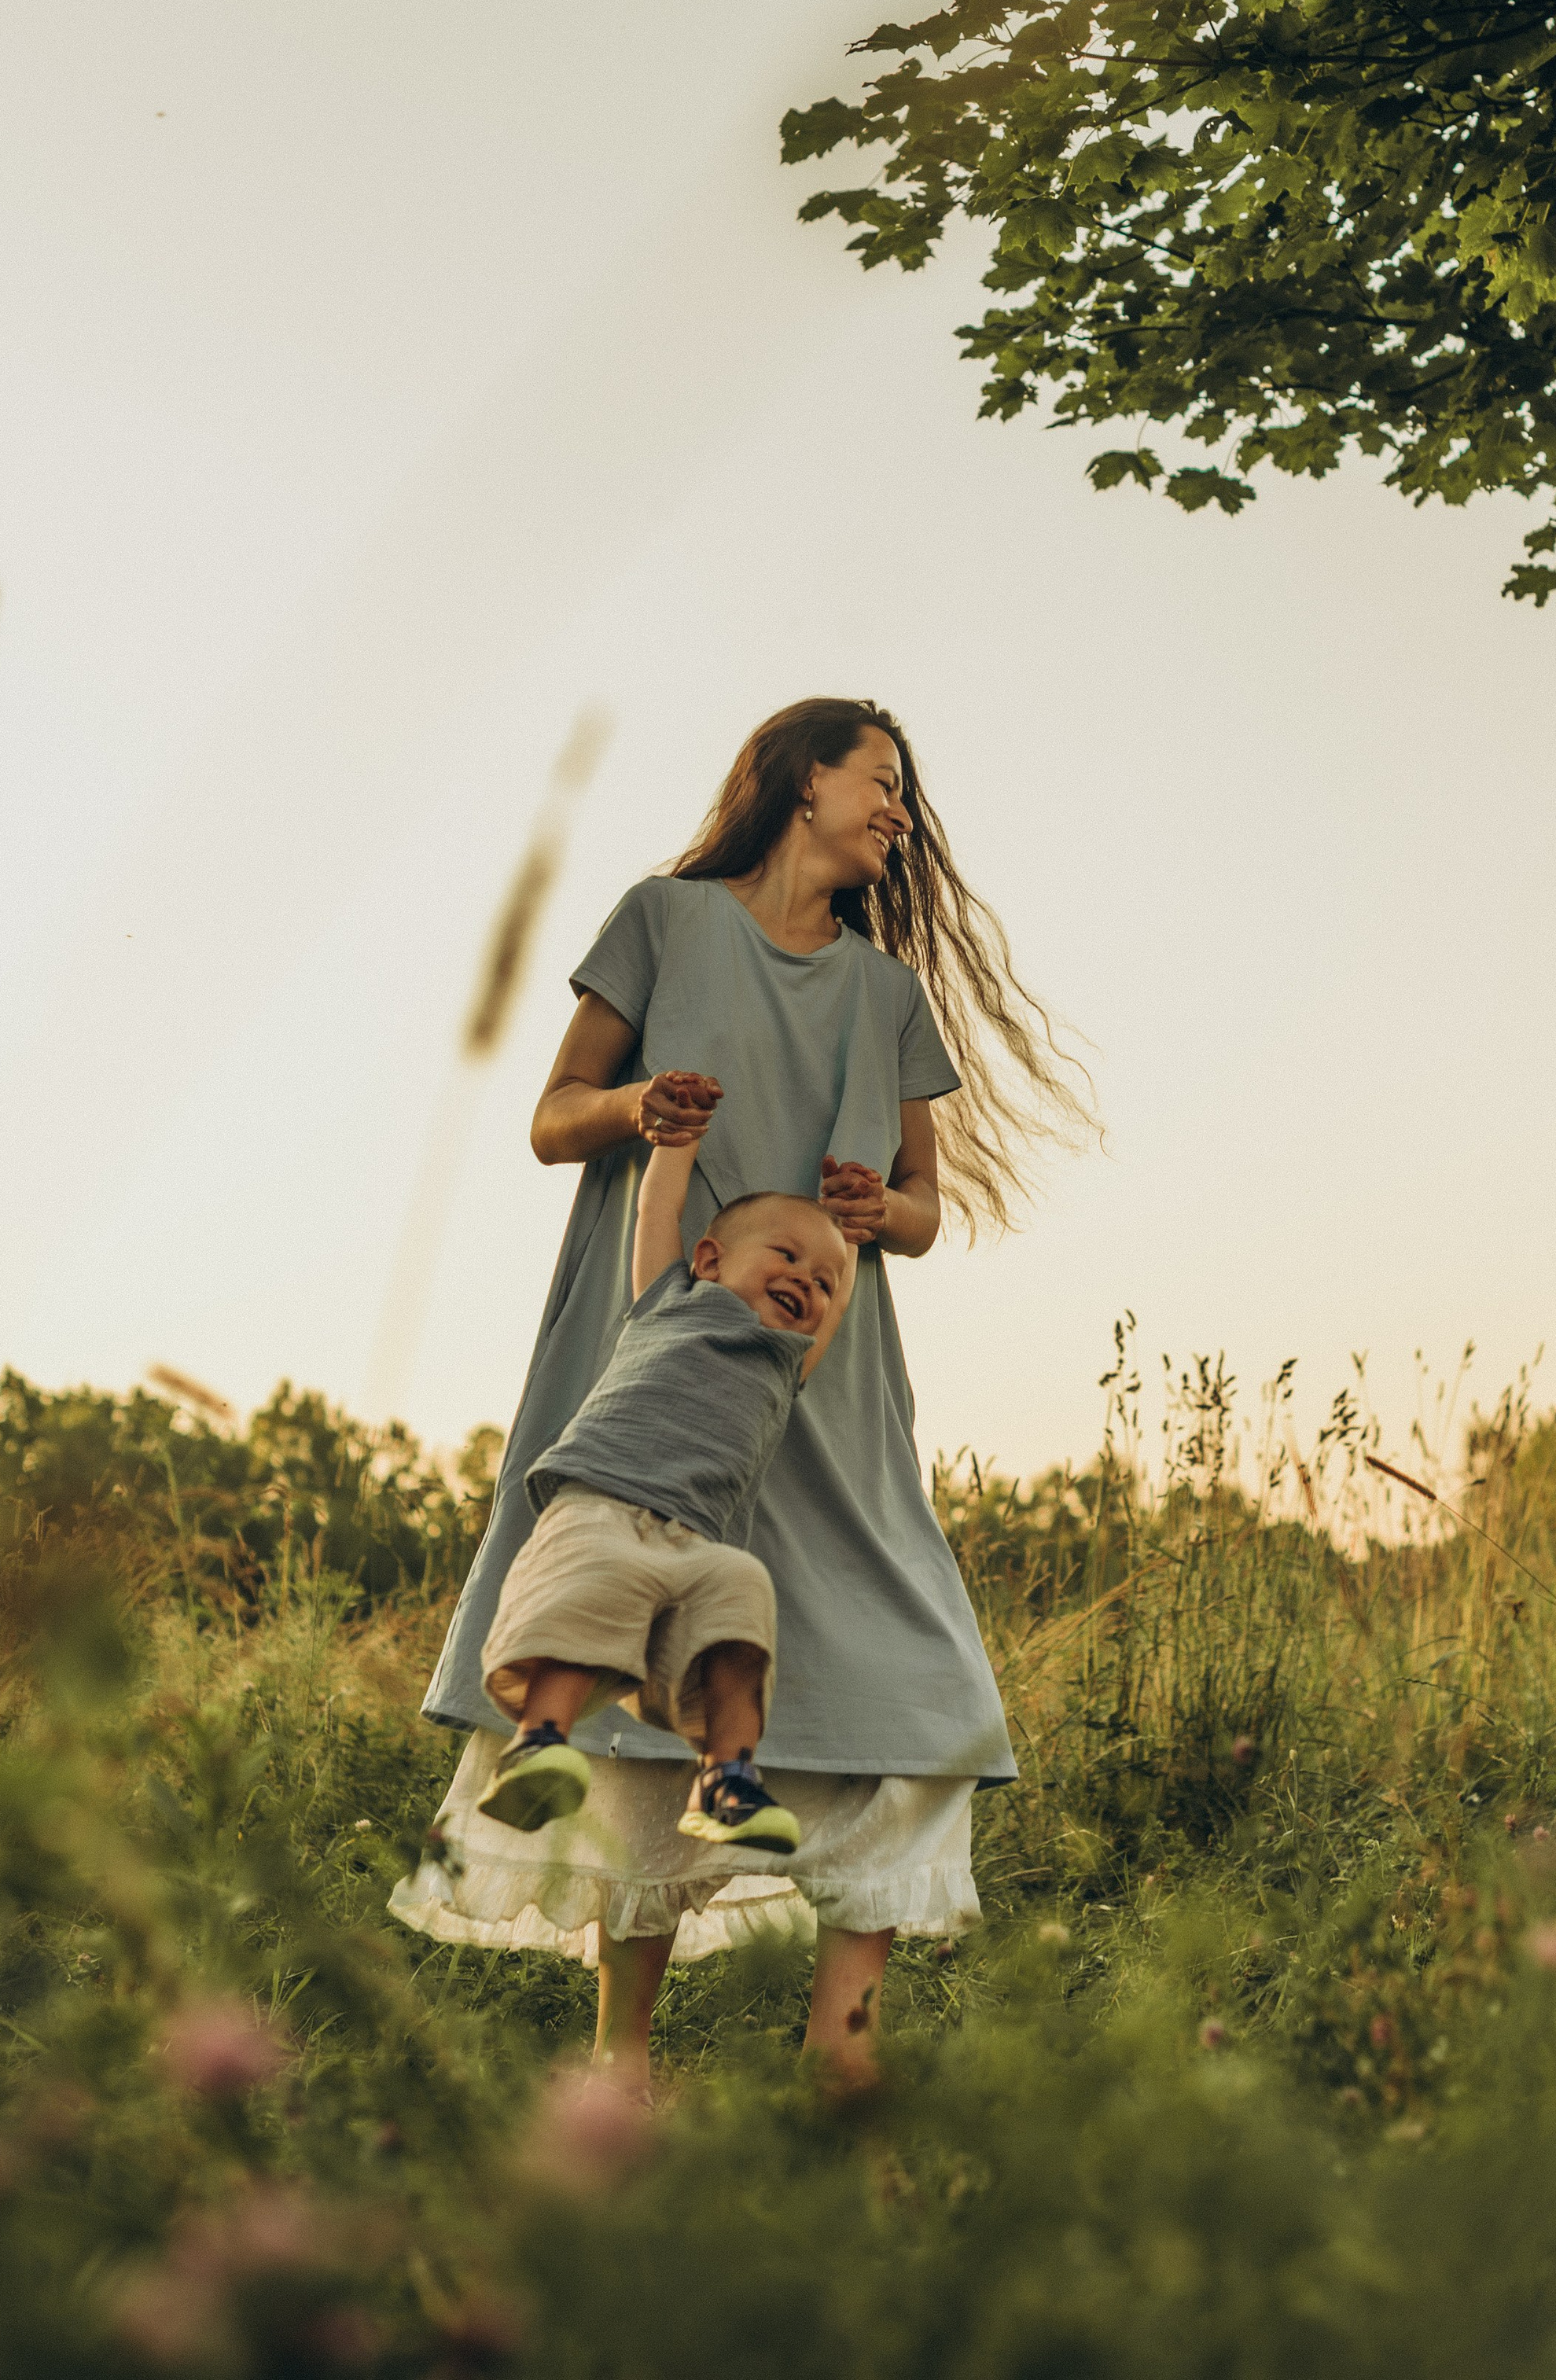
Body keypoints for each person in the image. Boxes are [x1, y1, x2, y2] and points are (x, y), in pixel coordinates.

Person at [390, 696, 1090, 2091]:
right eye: (878, 780)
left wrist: (875, 1210)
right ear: (797, 780)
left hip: (824, 1366)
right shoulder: (665, 919)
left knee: (916, 1673)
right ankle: (620, 2073)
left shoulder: (887, 995)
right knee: (637, 1657)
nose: (899, 809)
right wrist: (641, 1111)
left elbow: (927, 1210)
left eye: (903, 790)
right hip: (653, 1336)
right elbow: (550, 1118)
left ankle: (844, 2061)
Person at [474, 1099, 855, 1855]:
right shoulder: (671, 1301)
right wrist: (676, 1143)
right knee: (594, 1587)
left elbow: (834, 1304)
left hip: (693, 1540)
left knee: (745, 1592)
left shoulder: (786, 1365)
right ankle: (537, 1742)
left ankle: (725, 1780)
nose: (806, 1283)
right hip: (603, 1500)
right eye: (785, 1256)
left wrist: (853, 1237)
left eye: (822, 1282)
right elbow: (660, 1208)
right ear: (711, 1261)